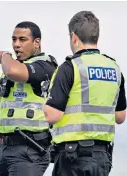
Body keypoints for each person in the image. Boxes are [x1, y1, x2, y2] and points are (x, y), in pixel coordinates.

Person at [43, 11, 126, 176]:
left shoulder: (69, 68)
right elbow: (120, 117)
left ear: (74, 37)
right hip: (102, 157)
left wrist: (44, 101)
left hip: (72, 158)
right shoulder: (114, 69)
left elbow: (52, 115)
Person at [0, 21, 58, 176]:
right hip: (7, 149)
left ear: (37, 43)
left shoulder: (45, 66)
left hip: (31, 151)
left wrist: (3, 55)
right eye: (14, 40)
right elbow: (13, 122)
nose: (16, 45)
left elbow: (13, 71)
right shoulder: (16, 66)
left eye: (22, 40)